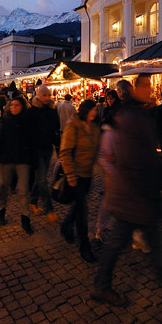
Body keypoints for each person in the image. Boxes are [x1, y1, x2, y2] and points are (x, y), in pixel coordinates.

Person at [91, 74, 162, 318]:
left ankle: (101, 286)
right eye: (148, 87)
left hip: (131, 196)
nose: (152, 91)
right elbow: (135, 159)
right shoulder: (132, 117)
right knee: (156, 255)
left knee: (119, 246)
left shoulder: (136, 114)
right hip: (136, 196)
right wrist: (161, 174)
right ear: (136, 89)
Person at [59, 99, 101, 262]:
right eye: (93, 109)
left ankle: (66, 226)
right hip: (76, 175)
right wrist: (70, 175)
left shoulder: (93, 127)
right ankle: (85, 248)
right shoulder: (73, 125)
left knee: (78, 207)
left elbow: (96, 149)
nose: (95, 112)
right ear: (85, 110)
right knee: (83, 213)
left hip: (87, 174)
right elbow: (65, 152)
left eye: (96, 110)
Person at [0, 96, 35, 234]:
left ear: (22, 106)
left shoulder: (27, 122)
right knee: (4, 188)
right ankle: (1, 211)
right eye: (12, 105)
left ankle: (25, 218)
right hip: (6, 160)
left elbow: (31, 142)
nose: (14, 107)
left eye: (17, 105)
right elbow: (0, 143)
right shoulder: (5, 123)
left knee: (23, 191)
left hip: (22, 160)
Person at [95, 81, 130, 242]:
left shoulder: (119, 120)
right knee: (110, 199)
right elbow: (105, 156)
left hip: (120, 166)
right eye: (107, 97)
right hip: (114, 168)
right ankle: (102, 229)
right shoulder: (110, 132)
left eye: (111, 97)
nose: (109, 100)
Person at [28, 85, 61, 221]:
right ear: (38, 96)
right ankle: (49, 209)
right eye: (44, 95)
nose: (47, 98)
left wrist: (58, 147)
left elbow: (56, 129)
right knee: (43, 180)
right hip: (36, 150)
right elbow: (28, 133)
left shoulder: (53, 110)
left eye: (48, 95)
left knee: (40, 179)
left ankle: (32, 202)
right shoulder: (33, 112)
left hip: (48, 149)